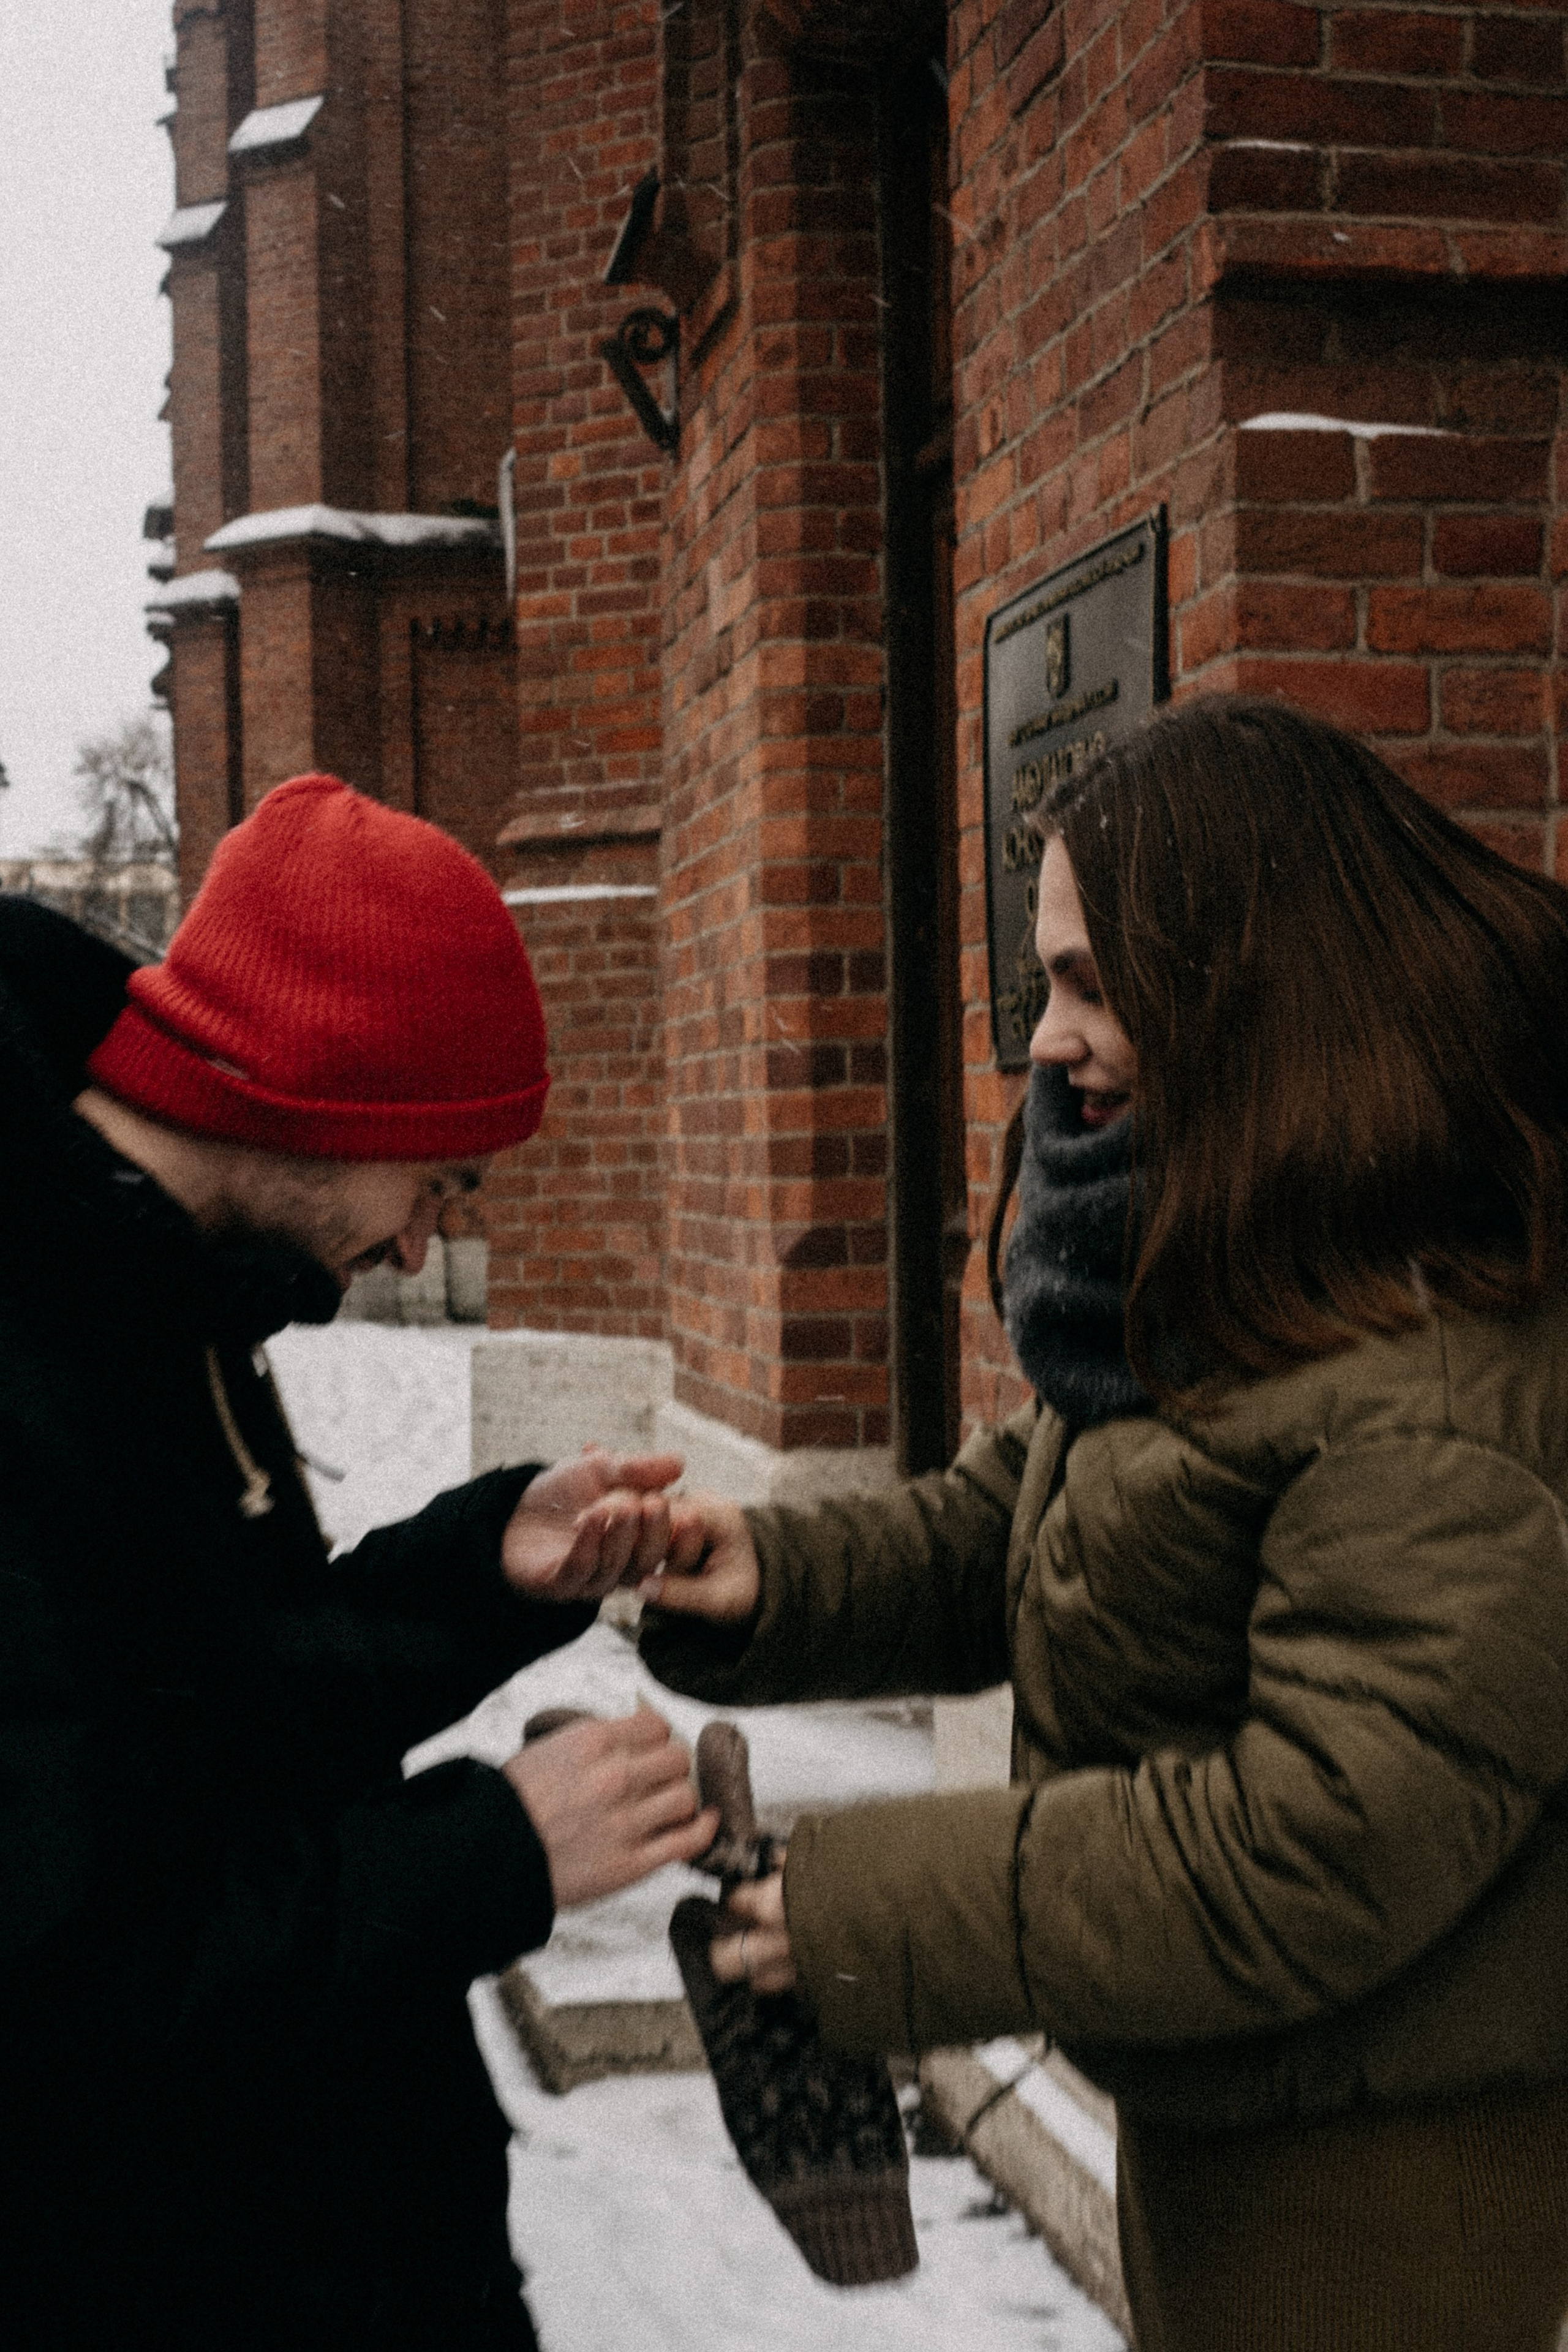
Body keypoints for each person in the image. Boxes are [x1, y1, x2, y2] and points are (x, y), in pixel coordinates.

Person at [638, 696, 1568, 2350]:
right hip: (1241, 2087)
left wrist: (872, 1914)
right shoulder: (1242, 1248)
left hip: (1380, 2170)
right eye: (1044, 978)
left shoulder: (1429, 1373)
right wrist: (770, 1571)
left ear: (1246, 986)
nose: (1045, 1039)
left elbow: (1320, 1845)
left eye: (1085, 982)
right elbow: (1037, 1521)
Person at [0, 773, 717, 2351]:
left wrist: (480, 1569)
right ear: (329, 1100)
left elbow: (218, 1721)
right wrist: (496, 1854)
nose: (415, 1244)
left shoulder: (159, 1285)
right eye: (439, 1179)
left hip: (335, 2244)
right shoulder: (42, 1339)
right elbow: (75, 2005)